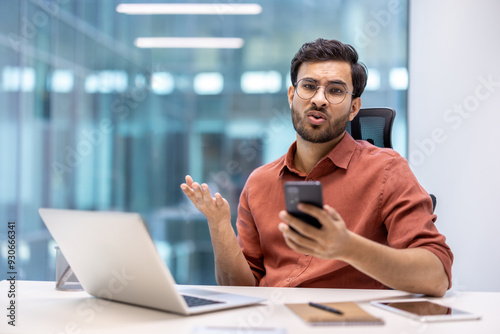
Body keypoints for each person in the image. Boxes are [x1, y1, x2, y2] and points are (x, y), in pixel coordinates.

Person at [181, 38, 453, 297]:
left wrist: (348, 247)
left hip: (346, 323)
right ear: (292, 95)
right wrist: (218, 226)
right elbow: (241, 287)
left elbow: (436, 276)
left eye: (335, 90)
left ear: (353, 108)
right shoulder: (259, 182)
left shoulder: (387, 170)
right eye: (309, 86)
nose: (319, 99)